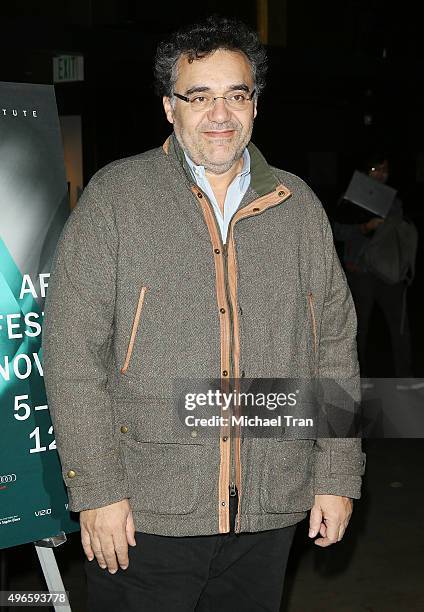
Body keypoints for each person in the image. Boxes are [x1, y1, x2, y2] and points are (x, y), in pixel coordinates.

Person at [42, 16, 365, 612]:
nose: (220, 114)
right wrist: (97, 491)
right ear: (170, 107)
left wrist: (337, 475)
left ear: (255, 105)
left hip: (270, 510)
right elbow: (71, 353)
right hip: (145, 515)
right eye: (200, 97)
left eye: (235, 95)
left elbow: (334, 348)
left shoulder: (296, 208)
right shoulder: (117, 199)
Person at [333, 154, 414, 378]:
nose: (380, 174)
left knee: (400, 327)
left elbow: (401, 235)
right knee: (358, 329)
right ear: (364, 172)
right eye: (374, 169)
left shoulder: (394, 201)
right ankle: (358, 379)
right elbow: (337, 231)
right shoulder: (349, 199)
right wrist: (364, 228)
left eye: (384, 169)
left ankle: (405, 378)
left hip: (389, 273)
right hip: (361, 273)